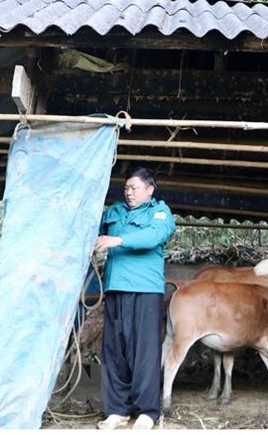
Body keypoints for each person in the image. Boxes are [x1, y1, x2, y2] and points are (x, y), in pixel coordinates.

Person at [94, 167, 176, 430]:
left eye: (135, 188)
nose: (129, 192)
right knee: (114, 350)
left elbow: (152, 237)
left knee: (144, 351)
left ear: (150, 190)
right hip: (115, 288)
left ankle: (148, 412)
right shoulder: (114, 212)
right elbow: (90, 229)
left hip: (145, 290)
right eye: (127, 188)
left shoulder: (159, 213)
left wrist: (117, 240)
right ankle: (118, 410)